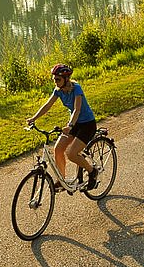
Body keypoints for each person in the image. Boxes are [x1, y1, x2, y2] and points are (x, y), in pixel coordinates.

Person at [27, 64, 99, 193]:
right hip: (74, 123)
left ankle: (92, 171)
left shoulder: (76, 88)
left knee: (71, 154)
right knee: (58, 148)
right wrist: (34, 118)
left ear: (66, 79)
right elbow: (47, 105)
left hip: (87, 124)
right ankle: (62, 180)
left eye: (58, 79)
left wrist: (70, 125)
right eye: (54, 79)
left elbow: (77, 109)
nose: (55, 81)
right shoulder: (58, 90)